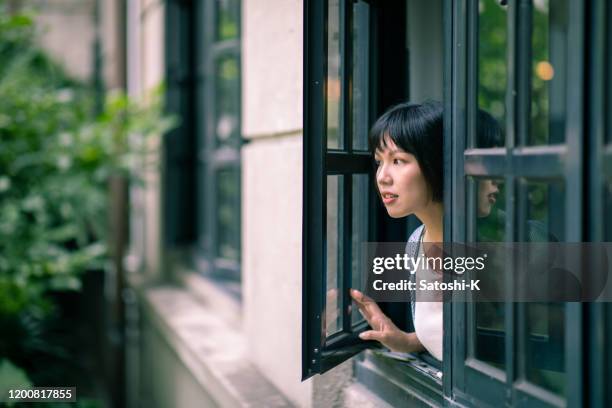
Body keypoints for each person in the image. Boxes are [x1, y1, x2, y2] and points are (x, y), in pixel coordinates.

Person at [350, 100, 444, 360]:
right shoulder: (416, 242)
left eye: (398, 160)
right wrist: (405, 340)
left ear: (437, 163)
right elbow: (451, 338)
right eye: (379, 162)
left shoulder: (483, 239)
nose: (382, 176)